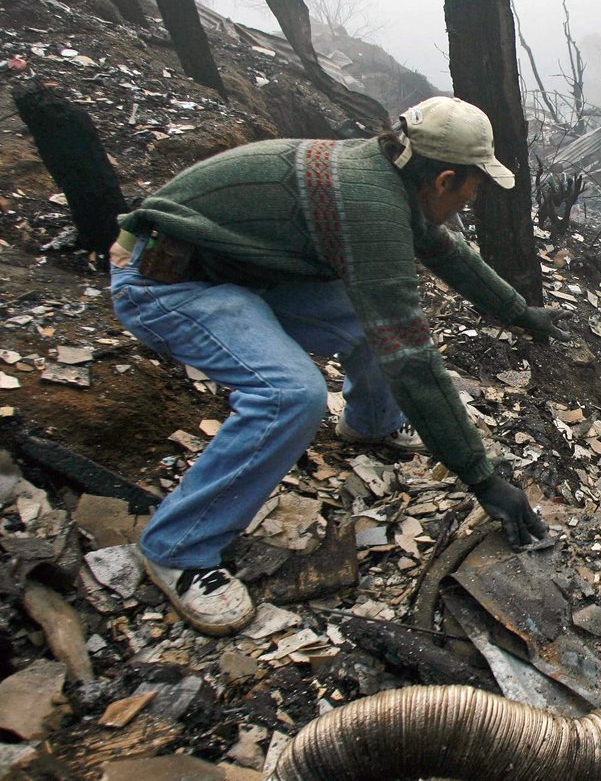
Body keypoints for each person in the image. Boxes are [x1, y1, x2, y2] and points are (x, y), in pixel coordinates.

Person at [108, 96, 569, 636]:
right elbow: (412, 361)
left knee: (363, 318)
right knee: (290, 395)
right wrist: (483, 480)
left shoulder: (389, 174)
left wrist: (519, 312)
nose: (472, 198)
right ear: (444, 179)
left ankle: (371, 423)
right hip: (166, 282)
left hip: (237, 268)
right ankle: (178, 548)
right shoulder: (371, 207)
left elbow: (447, 254)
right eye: (474, 186)